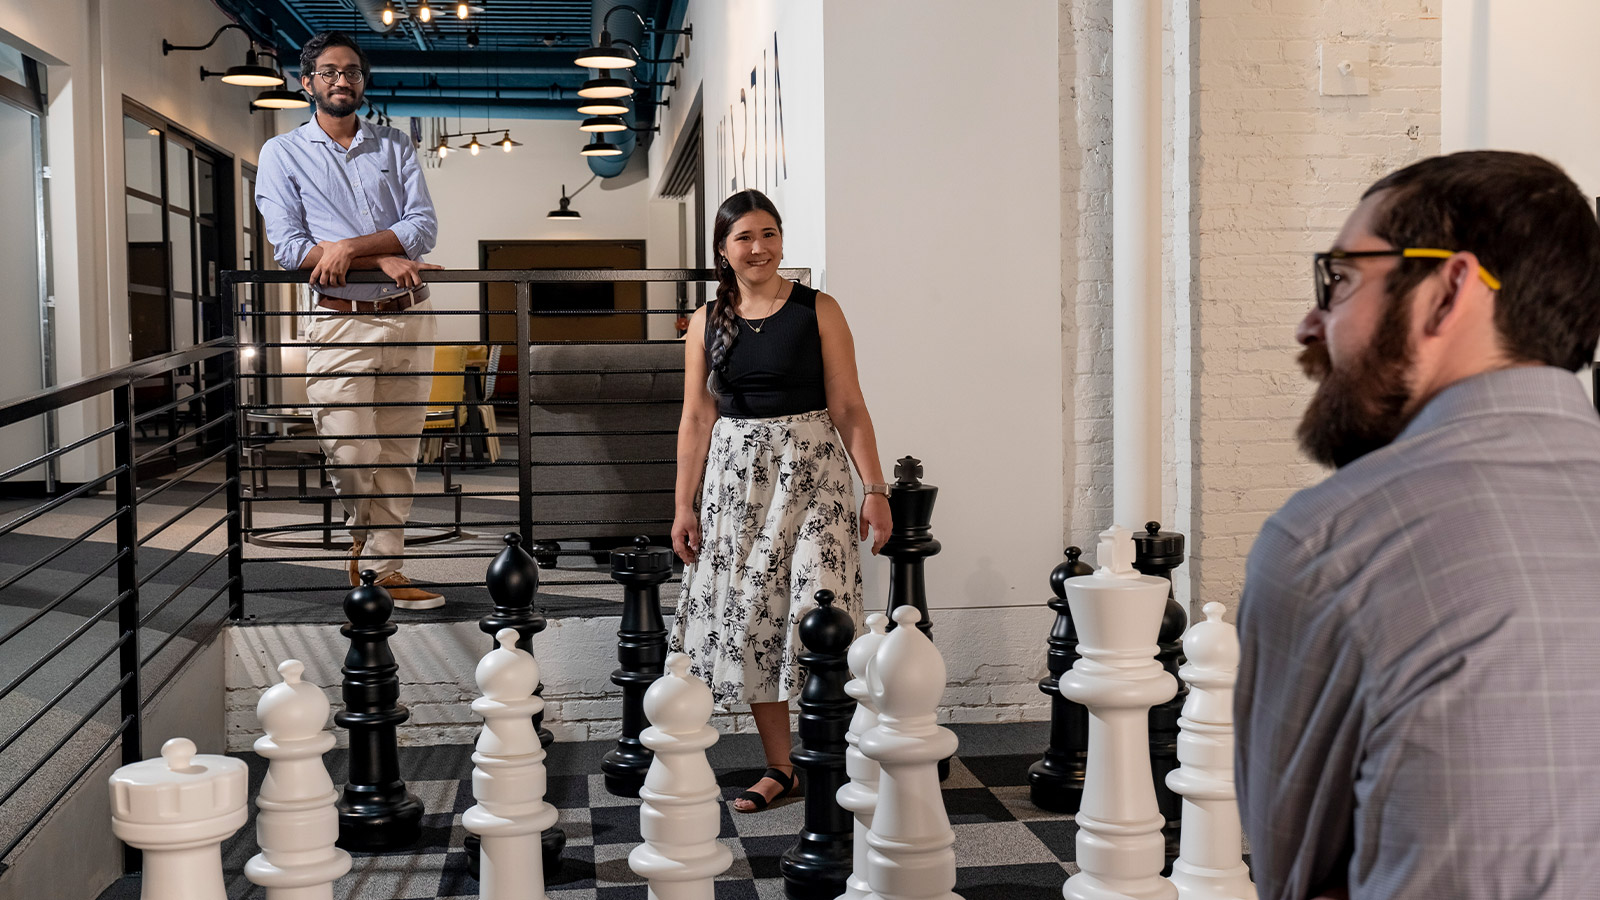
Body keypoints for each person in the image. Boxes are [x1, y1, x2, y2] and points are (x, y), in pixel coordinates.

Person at [1234, 150, 1600, 900]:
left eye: (1341, 279)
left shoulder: (1331, 543)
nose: (1310, 323)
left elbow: (1293, 879)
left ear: (1448, 290)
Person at [669, 189, 892, 813]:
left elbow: (849, 405)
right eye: (744, 237)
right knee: (755, 618)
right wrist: (683, 506)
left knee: (823, 610)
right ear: (723, 250)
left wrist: (875, 489)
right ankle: (782, 767)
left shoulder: (818, 308)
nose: (759, 247)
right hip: (737, 484)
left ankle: (840, 753)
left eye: (769, 233)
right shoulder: (706, 321)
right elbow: (696, 418)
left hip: (814, 472)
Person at [254, 31, 445, 609]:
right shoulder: (282, 153)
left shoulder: (394, 145)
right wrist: (381, 257)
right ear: (307, 82)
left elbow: (422, 228)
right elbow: (290, 248)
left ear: (363, 81)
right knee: (351, 450)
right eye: (331, 71)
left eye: (353, 71)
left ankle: (385, 570)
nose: (343, 80)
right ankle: (362, 541)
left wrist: (348, 249)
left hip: (410, 318)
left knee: (400, 452)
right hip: (340, 323)